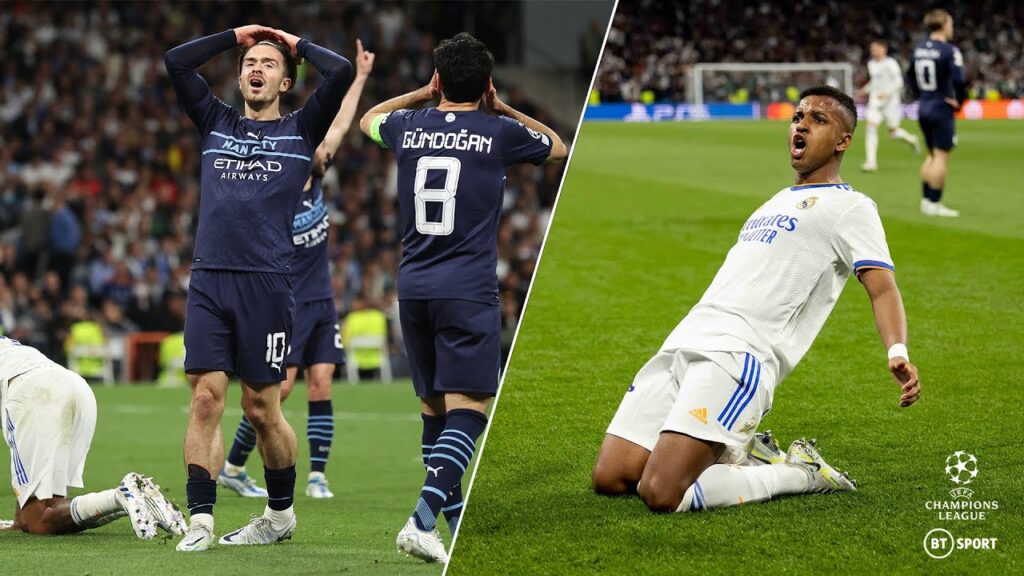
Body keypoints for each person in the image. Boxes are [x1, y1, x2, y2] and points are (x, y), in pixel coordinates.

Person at [591, 86, 921, 515]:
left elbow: (882, 286)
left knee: (661, 492)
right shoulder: (774, 201)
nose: (802, 123)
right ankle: (741, 450)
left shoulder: (852, 207)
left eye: (819, 119)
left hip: (741, 355)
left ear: (843, 141)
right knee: (611, 478)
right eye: (799, 115)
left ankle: (800, 472)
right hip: (687, 338)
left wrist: (897, 351)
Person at [359, 32, 567, 563]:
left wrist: (417, 96)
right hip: (467, 288)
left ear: (437, 80)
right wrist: (505, 107)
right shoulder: (499, 131)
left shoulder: (408, 126)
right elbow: (558, 145)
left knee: (433, 409)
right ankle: (423, 519)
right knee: (471, 408)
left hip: (414, 288)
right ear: (488, 85)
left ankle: (448, 525)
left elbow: (367, 120)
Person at [164, 25, 351, 551]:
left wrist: (294, 43)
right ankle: (200, 521)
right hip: (209, 278)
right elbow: (176, 62)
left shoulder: (302, 130)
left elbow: (342, 71)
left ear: (286, 81)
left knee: (262, 409)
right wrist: (234, 37)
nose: (256, 69)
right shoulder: (214, 121)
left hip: (267, 285)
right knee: (205, 399)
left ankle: (280, 515)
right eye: (251, 63)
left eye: (269, 64)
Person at [220, 39, 375, 501]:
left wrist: (362, 76)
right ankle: (232, 466)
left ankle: (318, 476)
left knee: (322, 382)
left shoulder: (318, 161)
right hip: (283, 301)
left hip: (320, 298)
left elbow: (342, 123)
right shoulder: (273, 186)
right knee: (280, 392)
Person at [0, 336, 184, 538]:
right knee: (44, 505)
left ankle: (119, 497)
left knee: (40, 522)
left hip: (34, 392)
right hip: (73, 385)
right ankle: (138, 501)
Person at [907, 8, 966, 217]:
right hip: (941, 106)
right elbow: (959, 80)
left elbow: (910, 76)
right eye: (950, 23)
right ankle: (935, 202)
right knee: (941, 157)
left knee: (931, 155)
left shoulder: (919, 48)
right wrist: (959, 101)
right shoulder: (949, 50)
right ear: (943, 25)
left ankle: (925, 200)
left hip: (924, 105)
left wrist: (920, 96)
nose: (952, 27)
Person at [856, 41, 920, 172]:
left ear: (883, 49)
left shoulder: (890, 63)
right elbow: (874, 82)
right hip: (875, 102)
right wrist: (863, 90)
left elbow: (898, 82)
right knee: (871, 128)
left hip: (891, 102)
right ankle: (871, 162)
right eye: (872, 49)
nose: (873, 51)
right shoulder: (871, 64)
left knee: (894, 133)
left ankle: (911, 139)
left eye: (876, 49)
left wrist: (887, 93)